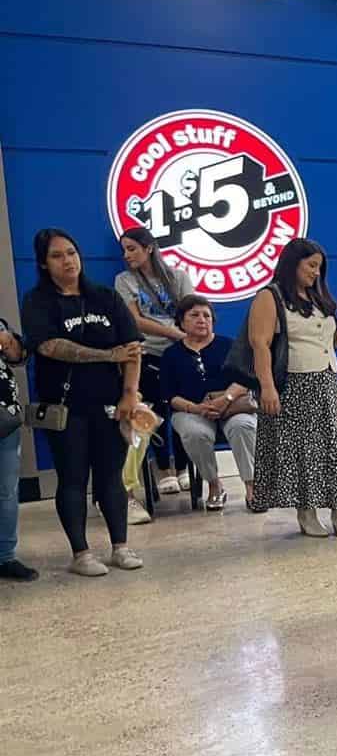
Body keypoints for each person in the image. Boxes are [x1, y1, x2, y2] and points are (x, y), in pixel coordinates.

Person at [20, 228, 145, 576]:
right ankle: (81, 553)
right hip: (65, 406)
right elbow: (49, 346)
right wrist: (107, 354)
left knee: (111, 477)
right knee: (73, 477)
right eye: (57, 256)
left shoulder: (104, 297)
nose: (67, 261)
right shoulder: (38, 301)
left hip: (110, 404)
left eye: (71, 253)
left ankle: (120, 546)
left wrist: (130, 394)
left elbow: (132, 348)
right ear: (44, 264)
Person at [248, 238, 337, 536]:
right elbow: (259, 344)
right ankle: (307, 511)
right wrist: (267, 388)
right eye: (311, 265)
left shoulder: (317, 297)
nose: (316, 272)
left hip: (326, 380)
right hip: (294, 383)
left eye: (319, 267)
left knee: (335, 446)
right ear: (293, 263)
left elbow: (329, 339)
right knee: (303, 451)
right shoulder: (269, 296)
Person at [116, 226, 198, 515]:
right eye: (124, 250)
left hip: (179, 353)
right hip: (147, 353)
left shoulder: (177, 276)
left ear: (148, 247)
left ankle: (185, 465)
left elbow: (192, 308)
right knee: (155, 410)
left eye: (132, 249)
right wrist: (174, 333)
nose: (127, 256)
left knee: (184, 408)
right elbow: (135, 320)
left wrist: (183, 338)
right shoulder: (124, 281)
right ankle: (163, 468)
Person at [160, 294, 257, 511]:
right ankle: (214, 485)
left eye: (207, 315)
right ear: (181, 321)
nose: (202, 320)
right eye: (194, 315)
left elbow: (246, 380)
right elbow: (169, 395)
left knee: (244, 425)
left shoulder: (229, 346)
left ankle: (252, 487)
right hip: (191, 411)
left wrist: (225, 400)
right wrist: (196, 408)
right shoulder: (171, 354)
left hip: (232, 407)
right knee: (195, 433)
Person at [0, 313, 38, 580]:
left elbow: (20, 358)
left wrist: (8, 341)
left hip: (5, 421)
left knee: (7, 492)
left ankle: (5, 557)